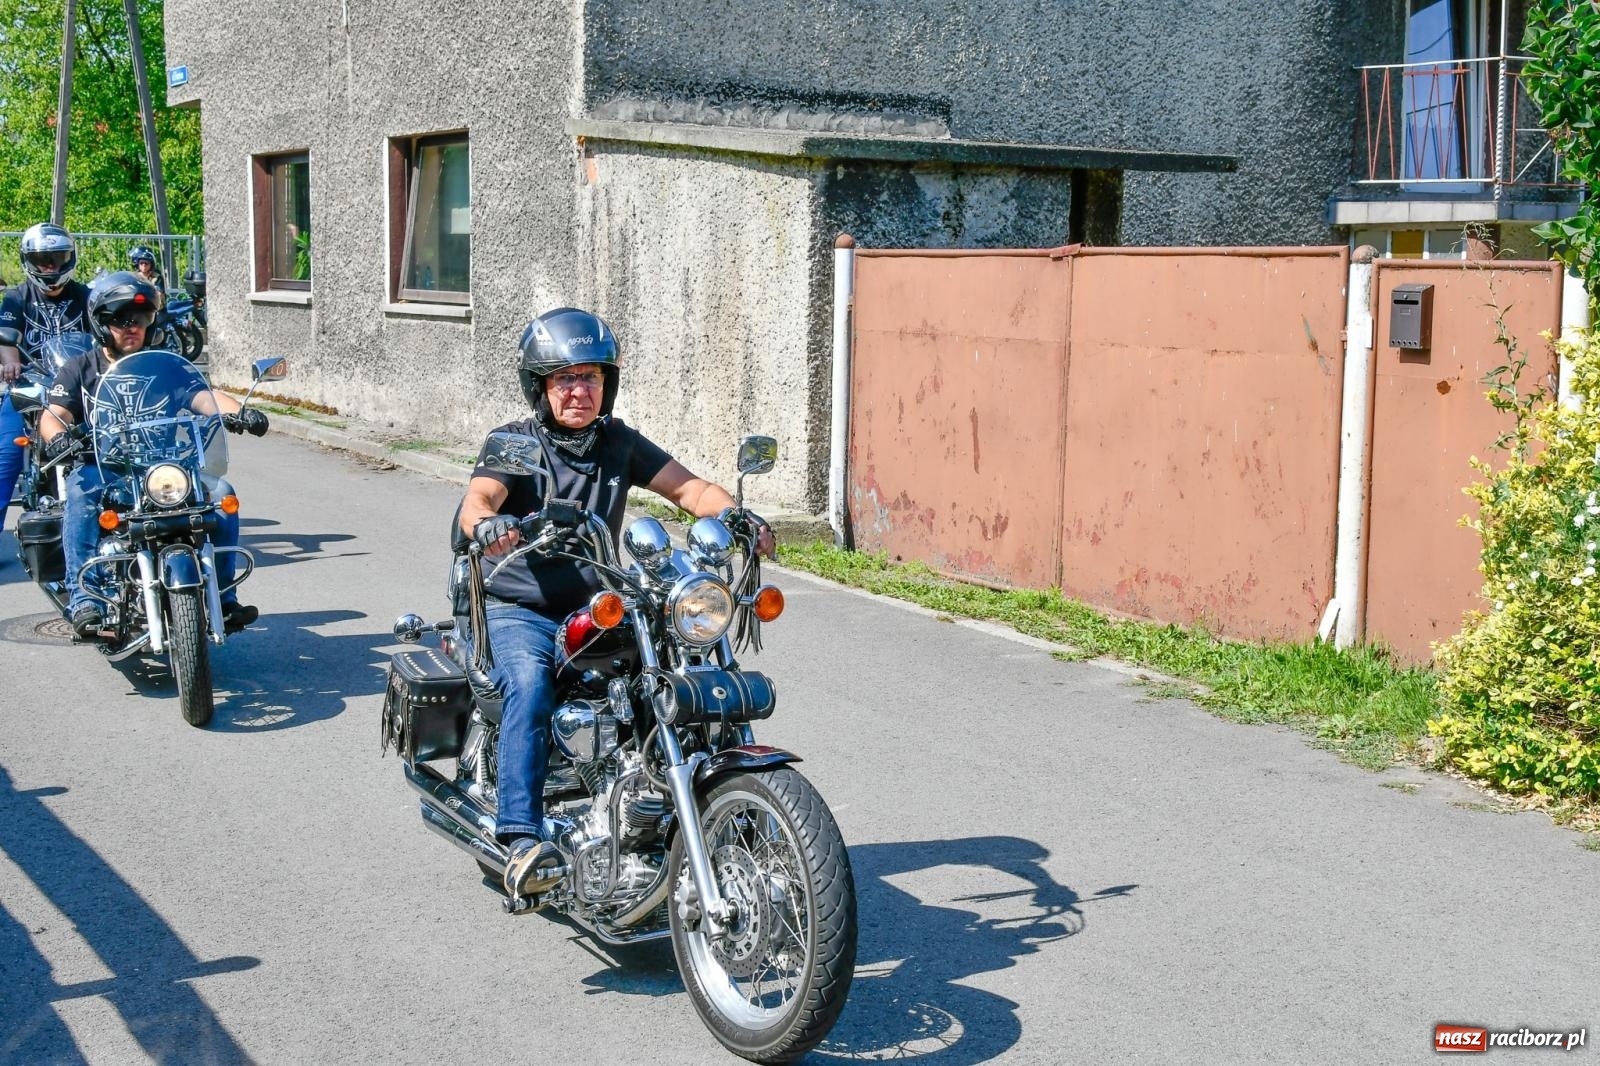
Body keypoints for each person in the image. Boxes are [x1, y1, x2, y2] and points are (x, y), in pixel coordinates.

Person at [460, 307, 775, 897]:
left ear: (607, 384)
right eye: (564, 378)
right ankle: (522, 839)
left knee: (673, 668)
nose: (579, 390)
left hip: (598, 604)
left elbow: (689, 489)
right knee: (530, 686)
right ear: (541, 386)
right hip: (520, 606)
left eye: (591, 378)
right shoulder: (513, 443)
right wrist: (488, 526)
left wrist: (734, 513)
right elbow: (477, 500)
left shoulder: (618, 442)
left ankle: (694, 804)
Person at [39, 272, 269, 639]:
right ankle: (85, 599)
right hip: (105, 465)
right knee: (81, 496)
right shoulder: (80, 368)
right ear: (101, 324)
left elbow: (204, 396)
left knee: (222, 494)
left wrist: (238, 412)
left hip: (165, 465)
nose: (131, 327)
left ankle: (223, 594)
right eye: (120, 319)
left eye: (140, 319)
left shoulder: (168, 365)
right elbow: (54, 415)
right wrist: (58, 438)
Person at [0, 223, 92, 536]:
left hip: (78, 384)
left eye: (56, 257)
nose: (50, 265)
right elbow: (7, 341)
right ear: (29, 260)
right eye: (43, 259)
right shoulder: (16, 298)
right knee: (7, 454)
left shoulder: (86, 297)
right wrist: (11, 366)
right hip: (32, 382)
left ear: (69, 257)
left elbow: (105, 334)